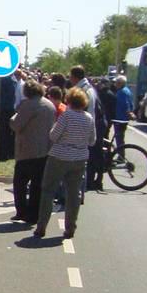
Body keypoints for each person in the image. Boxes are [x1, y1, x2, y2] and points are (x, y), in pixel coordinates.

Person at [34, 88, 96, 239]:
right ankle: (70, 228)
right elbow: (92, 141)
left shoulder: (66, 116)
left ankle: (41, 227)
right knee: (73, 194)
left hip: (59, 156)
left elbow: (53, 136)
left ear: (69, 100)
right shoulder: (88, 118)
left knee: (48, 190)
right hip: (79, 158)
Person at [9, 79, 55, 225]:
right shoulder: (49, 105)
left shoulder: (28, 105)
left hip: (27, 150)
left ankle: (21, 211)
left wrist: (13, 117)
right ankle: (34, 214)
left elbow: (16, 125)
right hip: (44, 149)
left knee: (20, 184)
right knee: (37, 185)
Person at [112, 75, 134, 153]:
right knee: (120, 138)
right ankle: (121, 154)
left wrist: (128, 113)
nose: (115, 84)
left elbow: (126, 104)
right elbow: (131, 103)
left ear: (120, 83)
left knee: (119, 138)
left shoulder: (122, 92)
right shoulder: (127, 90)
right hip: (123, 118)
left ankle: (121, 155)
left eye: (117, 82)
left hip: (120, 118)